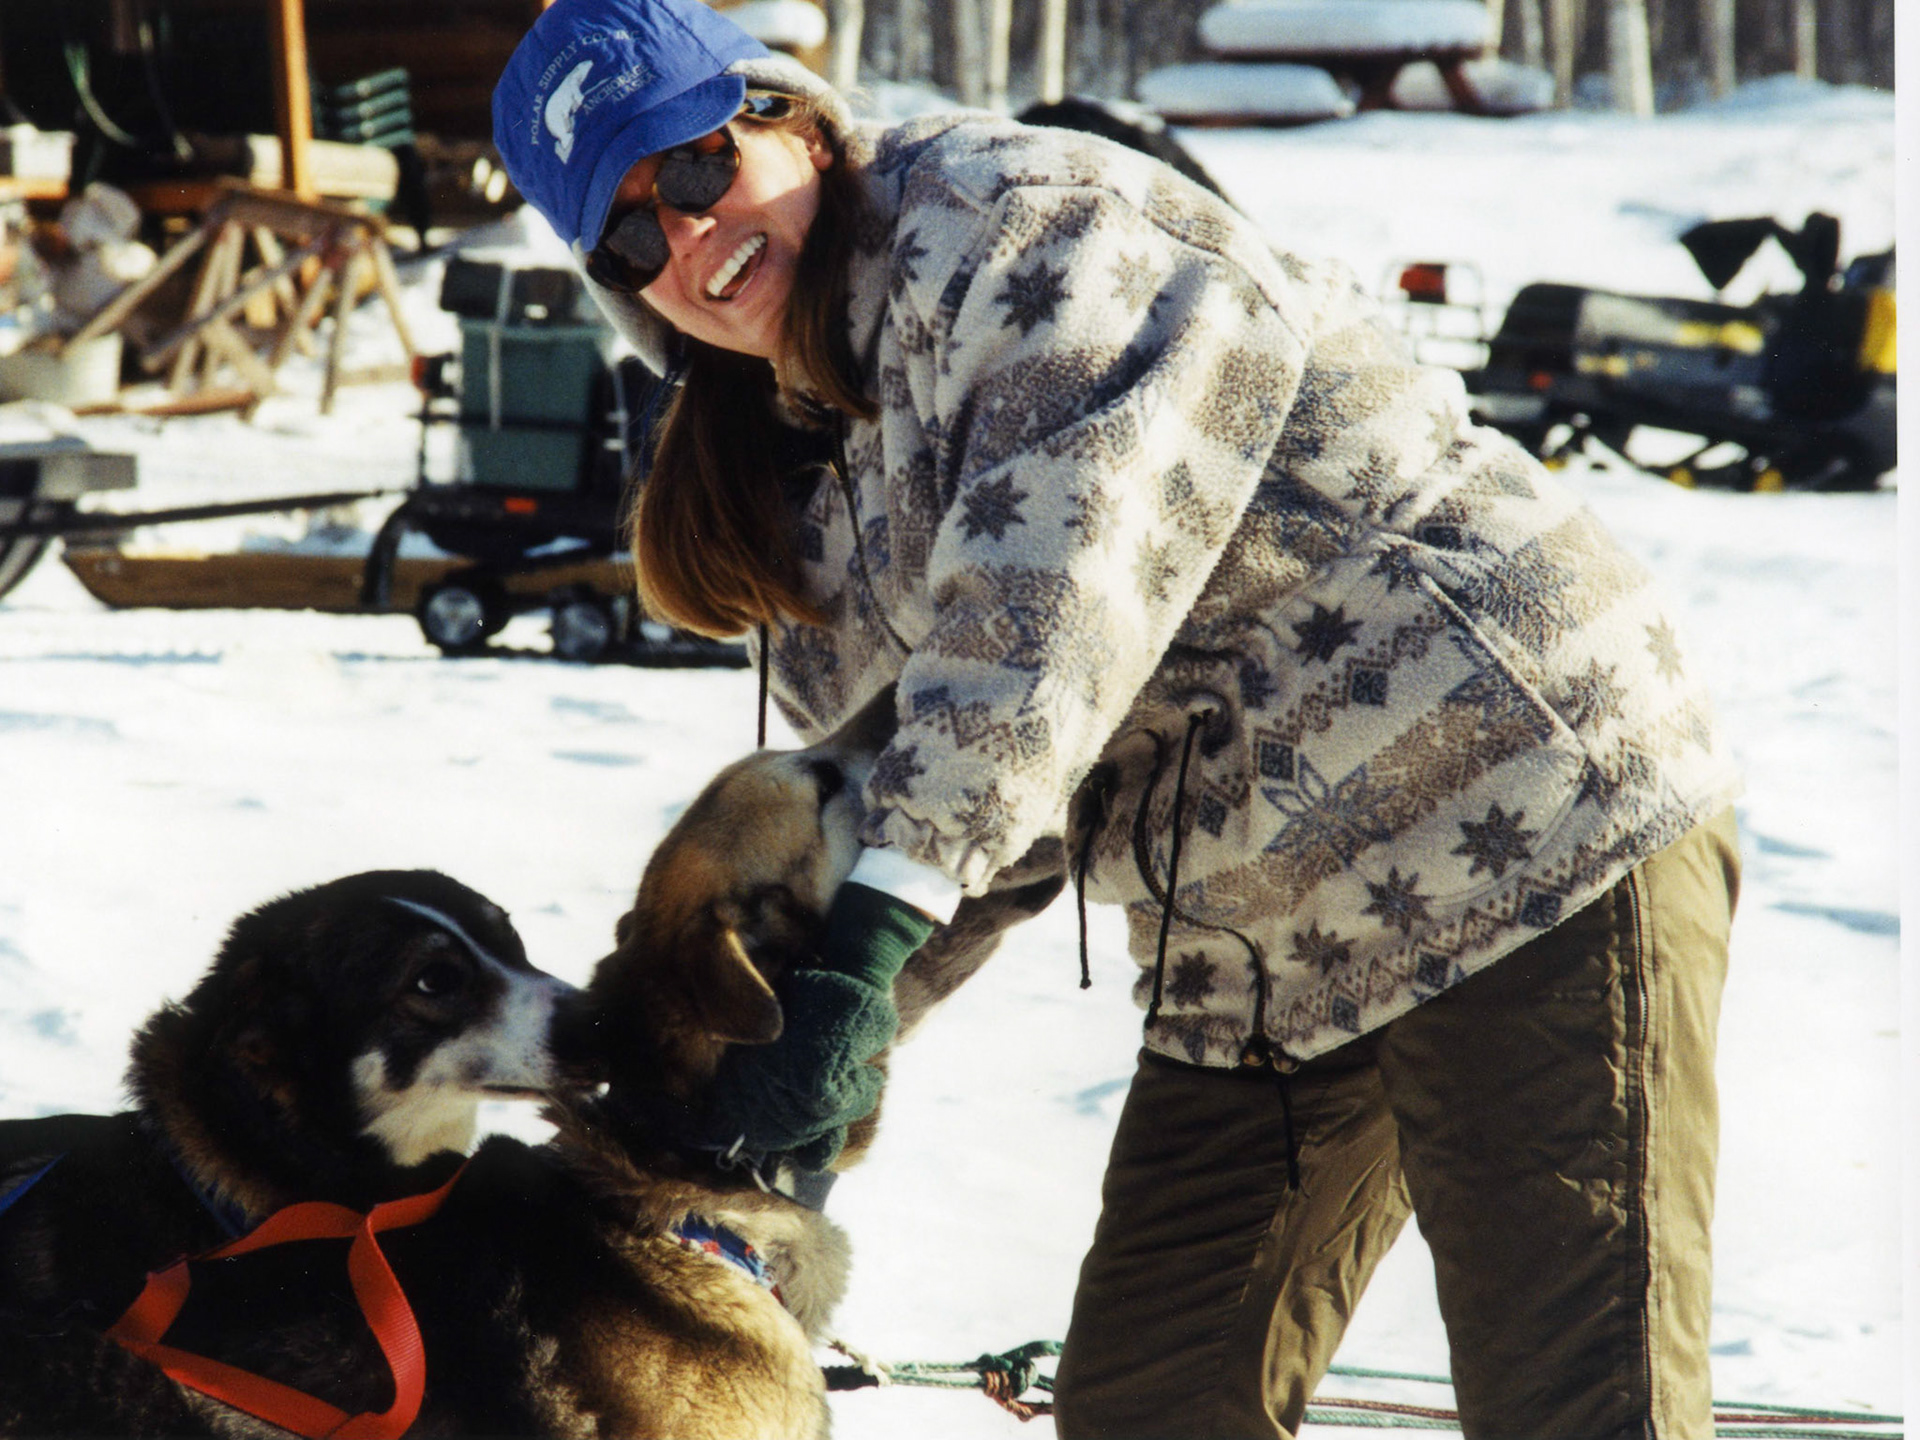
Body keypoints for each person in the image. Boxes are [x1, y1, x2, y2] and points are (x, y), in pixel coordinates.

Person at [493, 4, 1743, 1436]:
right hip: (1257, 939)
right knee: (1154, 1402)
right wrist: (743, 1070)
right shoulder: (793, 461)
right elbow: (923, 807)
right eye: (635, 242)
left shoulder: (1019, 226)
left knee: (1576, 1403)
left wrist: (867, 957)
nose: (690, 243)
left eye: (697, 170)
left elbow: (1047, 606)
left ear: (791, 116)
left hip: (1514, 823)